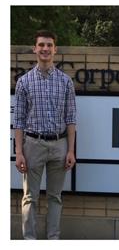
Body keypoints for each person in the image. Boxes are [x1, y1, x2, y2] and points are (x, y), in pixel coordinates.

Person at [13, 30, 77, 240]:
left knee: (55, 197)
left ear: (55, 50)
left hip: (59, 145)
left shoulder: (66, 82)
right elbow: (19, 120)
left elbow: (71, 118)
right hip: (33, 144)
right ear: (35, 49)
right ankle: (29, 240)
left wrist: (70, 150)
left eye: (49, 45)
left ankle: (53, 239)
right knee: (30, 197)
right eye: (41, 45)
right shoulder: (24, 82)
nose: (45, 49)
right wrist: (19, 152)